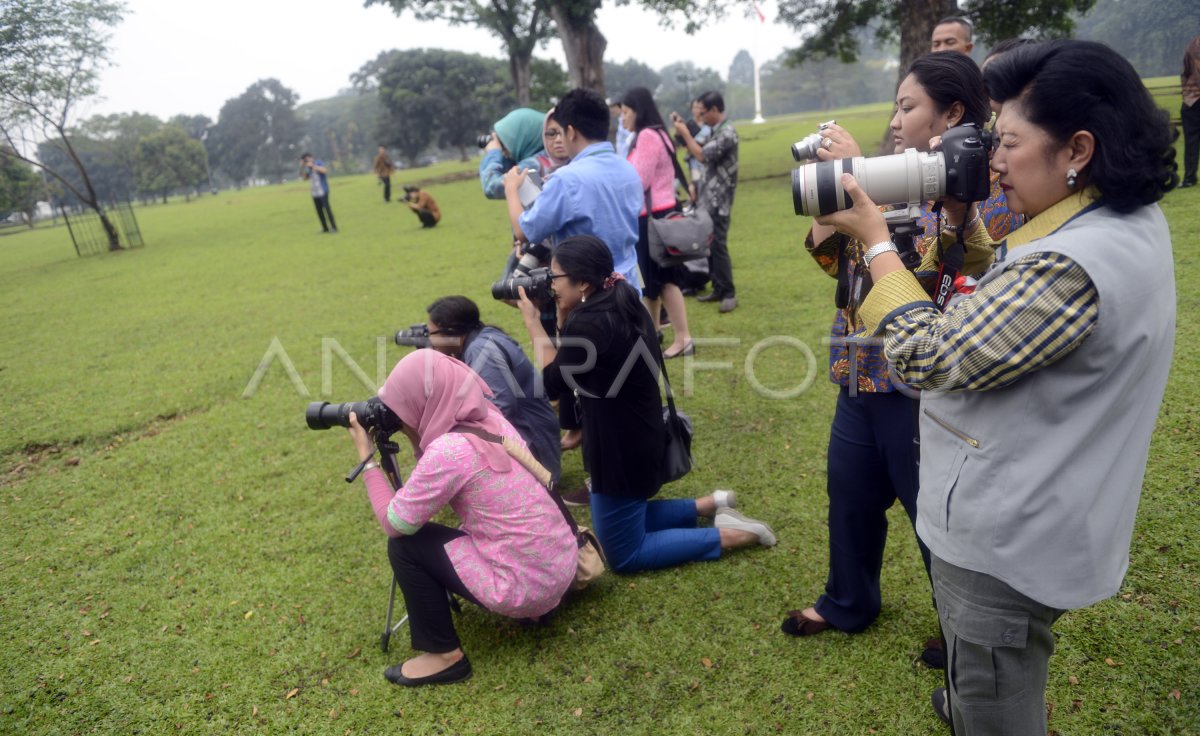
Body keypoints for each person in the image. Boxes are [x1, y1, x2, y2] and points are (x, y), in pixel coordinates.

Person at [820, 39, 1176, 734]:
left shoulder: (1073, 265)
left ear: (1077, 148)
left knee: (995, 711)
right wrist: (959, 221)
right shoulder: (1116, 222)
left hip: (1004, 543)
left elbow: (924, 355)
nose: (994, 161)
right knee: (982, 681)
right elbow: (1000, 290)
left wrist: (875, 237)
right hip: (1044, 510)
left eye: (1008, 143)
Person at [780, 53, 1019, 662]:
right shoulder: (884, 179)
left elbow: (935, 276)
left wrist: (867, 193)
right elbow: (836, 260)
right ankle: (848, 601)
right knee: (850, 495)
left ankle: (961, 628)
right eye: (894, 105)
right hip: (858, 373)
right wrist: (842, 188)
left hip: (924, 384)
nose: (894, 119)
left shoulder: (980, 192)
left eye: (906, 107)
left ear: (953, 113)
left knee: (934, 513)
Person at [516, 235, 776, 573]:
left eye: (554, 277)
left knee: (623, 554)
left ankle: (732, 534)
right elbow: (575, 364)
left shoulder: (591, 321)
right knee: (622, 517)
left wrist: (534, 323)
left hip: (619, 448)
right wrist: (565, 312)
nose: (549, 285)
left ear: (582, 281)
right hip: (637, 432)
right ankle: (711, 504)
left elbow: (553, 382)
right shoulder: (621, 297)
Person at [346, 349, 578, 687]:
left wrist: (367, 459)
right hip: (560, 566)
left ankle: (444, 657)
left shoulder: (448, 452)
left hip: (526, 588)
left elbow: (394, 522)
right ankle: (539, 606)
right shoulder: (489, 417)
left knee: (406, 544)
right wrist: (414, 429)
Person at [503, 88, 643, 290]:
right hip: (629, 289)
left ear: (570, 132)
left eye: (559, 132)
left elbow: (524, 231)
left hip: (590, 296)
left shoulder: (566, 179)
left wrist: (510, 189)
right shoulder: (628, 169)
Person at [422, 295, 561, 483]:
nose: (429, 340)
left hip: (535, 453)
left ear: (453, 332)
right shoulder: (483, 335)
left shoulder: (481, 351)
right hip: (533, 439)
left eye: (432, 333)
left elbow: (501, 408)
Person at [620, 87, 695, 359]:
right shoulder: (659, 133)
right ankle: (652, 334)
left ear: (637, 110)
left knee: (664, 281)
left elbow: (638, 180)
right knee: (652, 280)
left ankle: (683, 338)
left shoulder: (648, 136)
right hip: (661, 213)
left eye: (626, 112)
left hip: (653, 217)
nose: (623, 118)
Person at [672, 91, 739, 313]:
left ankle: (729, 293)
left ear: (714, 110)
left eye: (704, 113)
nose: (702, 117)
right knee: (710, 243)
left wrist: (685, 133)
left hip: (720, 200)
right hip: (708, 199)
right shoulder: (715, 130)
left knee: (718, 244)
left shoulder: (727, 133)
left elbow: (702, 155)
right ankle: (718, 288)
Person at [479, 108, 559, 200]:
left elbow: (491, 187)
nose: (504, 152)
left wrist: (493, 153)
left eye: (505, 145)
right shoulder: (555, 158)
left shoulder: (533, 164)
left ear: (523, 139)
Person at [299, 153, 337, 233]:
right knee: (319, 211)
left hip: (323, 191)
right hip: (315, 193)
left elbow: (324, 170)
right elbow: (305, 178)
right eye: (305, 159)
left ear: (312, 157)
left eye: (308, 158)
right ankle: (325, 228)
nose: (307, 160)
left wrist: (312, 166)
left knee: (327, 210)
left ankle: (334, 227)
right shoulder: (307, 168)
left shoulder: (318, 163)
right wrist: (303, 167)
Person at [1181, 35, 1200, 188]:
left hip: (1191, 99)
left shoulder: (1191, 46)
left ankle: (1189, 178)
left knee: (1191, 141)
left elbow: (1185, 72)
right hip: (1192, 99)